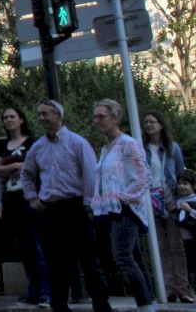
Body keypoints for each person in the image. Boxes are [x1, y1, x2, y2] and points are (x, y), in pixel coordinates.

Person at [20, 99, 112, 312]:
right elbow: (27, 173)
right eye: (39, 114)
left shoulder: (77, 142)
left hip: (74, 206)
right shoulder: (38, 147)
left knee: (89, 261)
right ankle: (59, 306)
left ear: (58, 115)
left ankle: (101, 305)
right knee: (55, 263)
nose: (41, 118)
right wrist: (32, 197)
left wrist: (88, 203)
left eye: (45, 113)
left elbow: (90, 174)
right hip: (49, 209)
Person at [91, 99, 154, 312]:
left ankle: (145, 305)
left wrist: (124, 197)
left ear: (116, 118)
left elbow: (144, 176)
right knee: (132, 257)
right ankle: (149, 303)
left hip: (126, 209)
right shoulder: (105, 148)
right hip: (109, 210)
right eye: (95, 116)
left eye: (101, 116)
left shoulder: (128, 143)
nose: (97, 120)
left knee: (123, 256)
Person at [0, 106, 49, 306]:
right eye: (5, 117)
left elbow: (39, 165)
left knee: (38, 245)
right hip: (12, 199)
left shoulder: (33, 143)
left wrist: (15, 166)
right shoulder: (2, 146)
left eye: (12, 116)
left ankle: (46, 291)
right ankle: (33, 289)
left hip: (31, 198)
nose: (8, 120)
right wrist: (15, 166)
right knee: (24, 248)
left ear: (21, 119)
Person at [141, 110, 194, 302]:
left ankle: (183, 289)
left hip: (171, 201)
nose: (149, 125)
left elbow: (181, 174)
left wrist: (180, 201)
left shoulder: (173, 148)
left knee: (177, 247)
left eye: (152, 122)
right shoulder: (141, 149)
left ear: (161, 125)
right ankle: (167, 289)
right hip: (151, 202)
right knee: (160, 248)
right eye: (146, 122)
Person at [174, 170, 196, 283]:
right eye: (179, 184)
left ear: (193, 186)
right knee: (189, 264)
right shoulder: (179, 202)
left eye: (185, 184)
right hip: (185, 238)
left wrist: (189, 210)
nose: (182, 186)